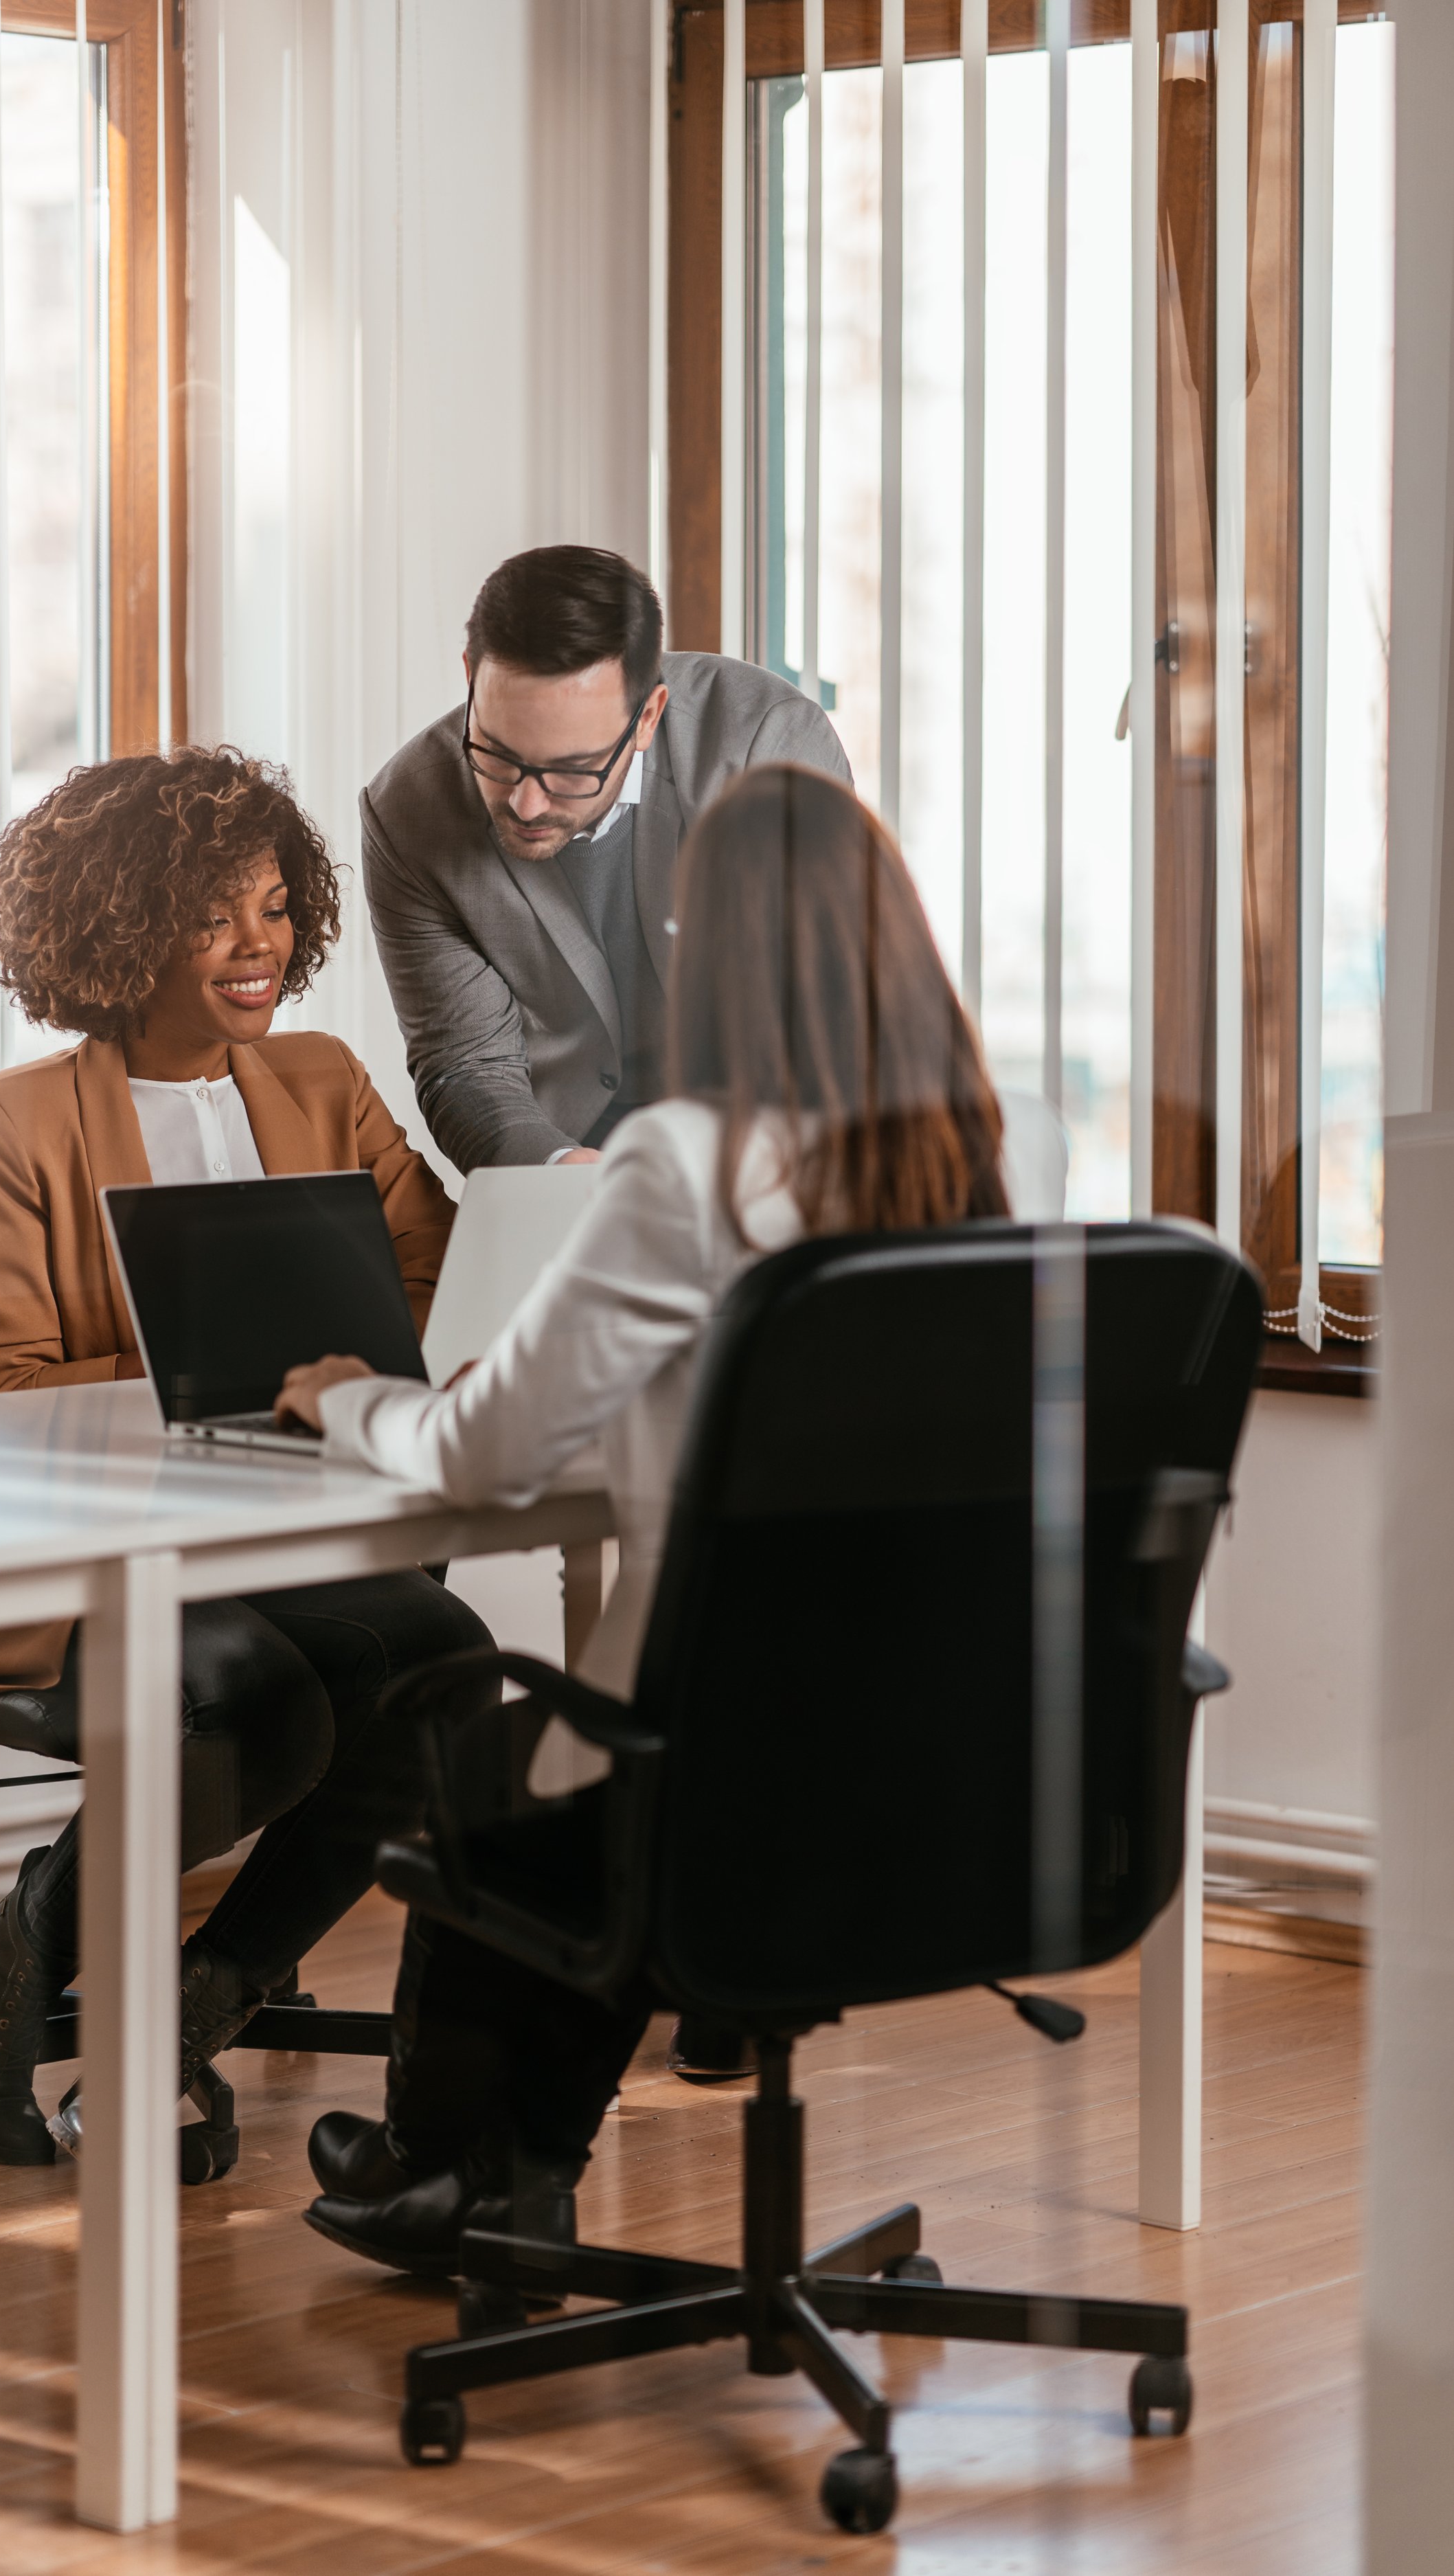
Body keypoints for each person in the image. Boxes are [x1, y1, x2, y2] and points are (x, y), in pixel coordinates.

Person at [273, 765, 1012, 2273]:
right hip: (930, 1770)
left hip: (727, 1773)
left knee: (499, 1758)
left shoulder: (688, 1159)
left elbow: (478, 1458)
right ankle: (506, 2170)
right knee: (598, 1777)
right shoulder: (967, 1173)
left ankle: (456, 2170)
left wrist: (351, 1399)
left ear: (716, 947)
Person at [0, 745, 492, 2168]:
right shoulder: (16, 1123)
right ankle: (11, 1946)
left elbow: (438, 1282)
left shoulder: (323, 1079)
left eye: (277, 910)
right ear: (114, 931)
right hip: (100, 1548)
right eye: (212, 915)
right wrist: (233, 1373)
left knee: (449, 1673)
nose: (256, 949)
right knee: (265, 1706)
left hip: (297, 1528)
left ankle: (186, 2006)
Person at [361, 543, 852, 1175]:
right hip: (559, 1151)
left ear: (647, 717)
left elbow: (816, 1017)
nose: (527, 803)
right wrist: (561, 1171)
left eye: (572, 770)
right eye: (497, 753)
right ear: (470, 677)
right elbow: (465, 1065)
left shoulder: (769, 749)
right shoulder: (407, 812)